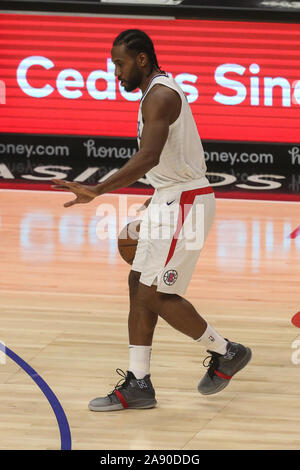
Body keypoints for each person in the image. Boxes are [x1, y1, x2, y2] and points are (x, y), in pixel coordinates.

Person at [52, 29, 251, 411]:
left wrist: (98, 190)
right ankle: (138, 383)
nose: (115, 72)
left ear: (141, 60)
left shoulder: (159, 95)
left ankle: (227, 352)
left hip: (186, 203)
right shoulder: (155, 92)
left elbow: (149, 157)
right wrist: (156, 194)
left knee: (156, 293)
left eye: (119, 64)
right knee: (138, 282)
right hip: (170, 197)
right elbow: (168, 161)